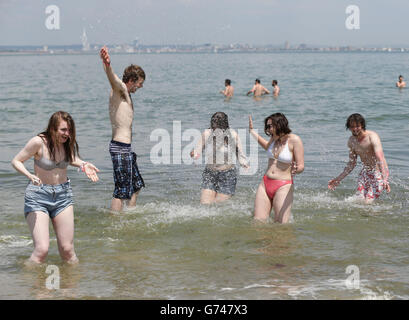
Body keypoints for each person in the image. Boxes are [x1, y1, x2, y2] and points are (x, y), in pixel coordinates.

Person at [11, 111, 100, 265]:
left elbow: (71, 159)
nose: (67, 134)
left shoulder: (66, 143)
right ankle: (29, 284)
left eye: (70, 130)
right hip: (38, 197)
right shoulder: (38, 142)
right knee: (42, 250)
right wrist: (30, 176)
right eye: (64, 130)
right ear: (53, 128)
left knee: (67, 250)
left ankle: (73, 286)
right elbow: (16, 161)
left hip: (63, 196)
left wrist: (84, 164)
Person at [100, 46, 146, 212]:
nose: (140, 87)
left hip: (125, 148)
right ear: (132, 80)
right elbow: (113, 78)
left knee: (136, 185)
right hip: (120, 147)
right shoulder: (119, 90)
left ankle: (129, 215)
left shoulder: (126, 95)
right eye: (139, 83)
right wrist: (107, 64)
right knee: (121, 190)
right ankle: (115, 221)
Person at [249, 113, 304, 223]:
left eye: (270, 126)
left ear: (280, 124)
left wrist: (296, 169)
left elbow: (301, 165)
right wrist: (252, 132)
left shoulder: (294, 140)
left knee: (281, 224)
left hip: (283, 185)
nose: (268, 129)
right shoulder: (274, 138)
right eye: (267, 126)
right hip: (265, 183)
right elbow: (266, 146)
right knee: (258, 222)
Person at [328, 113, 390, 203]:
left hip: (379, 173)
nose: (355, 129)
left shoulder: (372, 137)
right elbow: (351, 164)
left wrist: (385, 179)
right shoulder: (351, 141)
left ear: (362, 125)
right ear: (349, 127)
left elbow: (380, 159)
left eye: (357, 126)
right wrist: (338, 179)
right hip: (365, 174)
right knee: (359, 201)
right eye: (352, 126)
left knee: (368, 202)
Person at [190, 112, 249, 204]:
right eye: (213, 126)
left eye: (217, 126)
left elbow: (239, 151)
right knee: (205, 204)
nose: (214, 129)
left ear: (224, 126)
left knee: (218, 205)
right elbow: (197, 150)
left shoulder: (232, 134)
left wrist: (243, 163)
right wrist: (194, 154)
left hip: (228, 175)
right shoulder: (207, 133)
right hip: (210, 174)